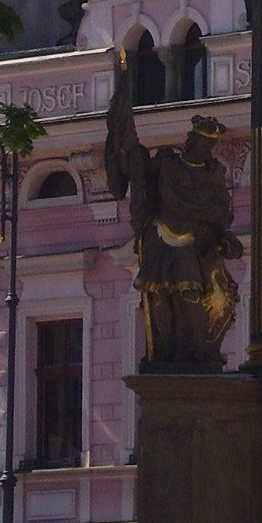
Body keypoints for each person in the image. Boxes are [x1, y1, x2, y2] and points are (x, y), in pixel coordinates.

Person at [105, 68, 242, 368]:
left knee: (190, 293)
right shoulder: (168, 162)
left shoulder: (214, 175)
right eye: (202, 142)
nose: (206, 148)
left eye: (210, 145)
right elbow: (138, 168)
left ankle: (199, 349)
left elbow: (222, 211)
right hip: (162, 236)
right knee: (159, 298)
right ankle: (167, 353)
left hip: (190, 242)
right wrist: (128, 147)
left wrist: (223, 234)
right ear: (192, 141)